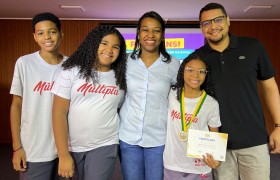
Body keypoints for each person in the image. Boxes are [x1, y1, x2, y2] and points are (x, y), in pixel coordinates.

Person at [196, 2, 280, 180]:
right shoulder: (197, 57)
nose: (212, 26)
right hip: (218, 143)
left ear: (228, 20)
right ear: (201, 28)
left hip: (254, 141)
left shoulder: (252, 47)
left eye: (217, 19)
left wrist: (279, 126)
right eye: (206, 23)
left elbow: (270, 87)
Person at [51, 25, 127, 180]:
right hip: (72, 146)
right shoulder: (71, 71)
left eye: (115, 47)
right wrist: (64, 155)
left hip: (105, 143)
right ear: (93, 44)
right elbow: (59, 113)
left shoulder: (120, 77)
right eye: (104, 43)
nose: (109, 50)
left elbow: (118, 108)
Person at [119, 11, 180, 180]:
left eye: (156, 30)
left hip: (159, 139)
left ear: (162, 35)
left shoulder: (173, 64)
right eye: (145, 30)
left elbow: (180, 98)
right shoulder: (124, 61)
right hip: (128, 136)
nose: (150, 35)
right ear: (138, 33)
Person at [10, 12, 66, 180]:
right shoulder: (24, 63)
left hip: (65, 149)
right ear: (35, 37)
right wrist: (17, 147)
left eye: (52, 32)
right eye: (40, 33)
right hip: (33, 150)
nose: (47, 37)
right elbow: (16, 106)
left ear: (61, 34)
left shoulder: (71, 66)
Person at [163, 52, 221, 180]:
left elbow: (214, 134)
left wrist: (217, 158)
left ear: (206, 75)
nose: (195, 75)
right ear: (182, 71)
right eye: (190, 70)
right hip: (172, 164)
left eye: (201, 71)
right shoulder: (172, 94)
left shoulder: (211, 103)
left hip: (199, 165)